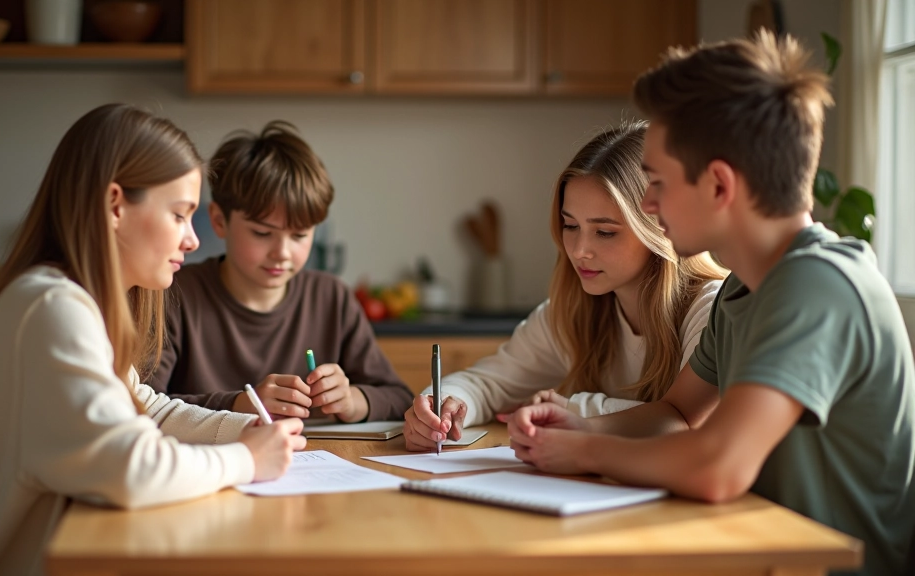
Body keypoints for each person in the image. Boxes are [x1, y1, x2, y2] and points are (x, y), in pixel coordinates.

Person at [507, 32, 915, 576]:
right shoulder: (743, 288)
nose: (647, 205)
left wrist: (583, 455)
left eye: (656, 182)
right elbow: (677, 412)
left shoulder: (818, 285)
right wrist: (582, 429)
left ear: (720, 185)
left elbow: (719, 466)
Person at [0, 104, 306, 576]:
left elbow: (144, 407)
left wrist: (240, 429)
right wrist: (245, 460)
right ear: (115, 205)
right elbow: (131, 469)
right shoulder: (49, 309)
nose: (193, 240)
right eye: (179, 215)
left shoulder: (62, 300)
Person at [403, 121, 727, 451]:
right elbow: (488, 382)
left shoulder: (713, 309)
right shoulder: (573, 310)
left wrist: (574, 409)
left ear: (661, 228)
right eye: (570, 225)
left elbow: (693, 424)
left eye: (605, 232)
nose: (578, 249)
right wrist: (446, 403)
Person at [146, 121, 412, 423]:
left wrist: (354, 400)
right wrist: (239, 405)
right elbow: (140, 405)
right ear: (220, 221)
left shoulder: (331, 297)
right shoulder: (172, 295)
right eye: (262, 233)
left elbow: (400, 397)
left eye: (299, 235)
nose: (282, 253)